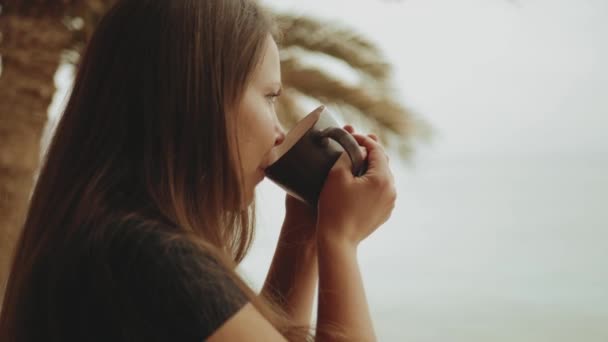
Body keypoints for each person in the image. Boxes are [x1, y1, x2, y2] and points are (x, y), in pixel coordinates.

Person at [0, 0, 396, 341]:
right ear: (199, 100)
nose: (279, 132)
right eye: (270, 96)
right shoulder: (146, 261)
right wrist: (340, 241)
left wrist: (306, 232)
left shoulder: (104, 238)